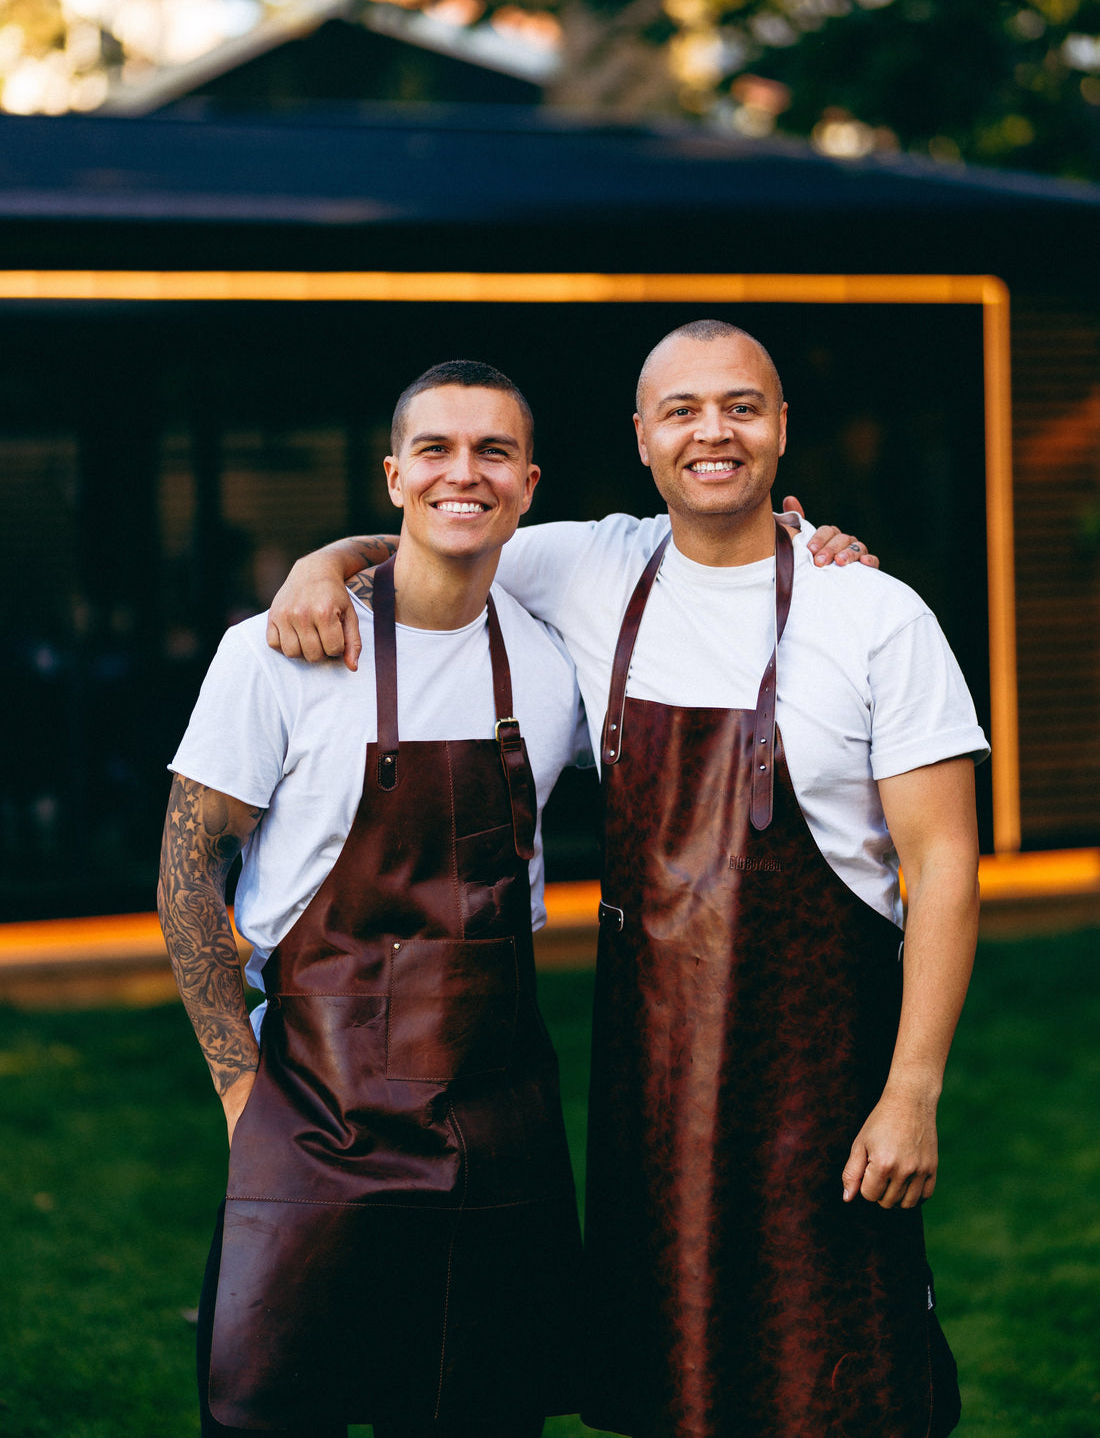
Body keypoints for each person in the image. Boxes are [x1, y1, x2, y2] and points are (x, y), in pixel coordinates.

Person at [269, 321, 986, 1438]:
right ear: (643, 439)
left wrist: (911, 1094)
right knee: (678, 1382)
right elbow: (445, 525)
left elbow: (941, 863)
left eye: (741, 407)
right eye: (684, 411)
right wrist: (322, 562)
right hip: (653, 1084)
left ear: (781, 429)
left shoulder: (872, 614)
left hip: (826, 1076)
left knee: (842, 1381)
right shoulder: (590, 563)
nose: (714, 432)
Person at [159, 361, 595, 1438]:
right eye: (436, 449)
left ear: (528, 484)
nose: (465, 472)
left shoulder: (556, 663)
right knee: (269, 1417)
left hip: (498, 1130)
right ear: (392, 474)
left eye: (492, 451)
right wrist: (239, 1097)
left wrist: (813, 551)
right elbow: (183, 877)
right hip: (308, 1119)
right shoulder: (275, 657)